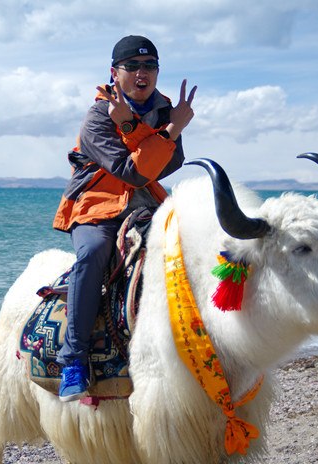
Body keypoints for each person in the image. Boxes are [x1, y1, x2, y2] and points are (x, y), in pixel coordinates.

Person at [52, 35, 197, 401]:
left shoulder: (164, 110)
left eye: (149, 66)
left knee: (191, 244)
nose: (141, 73)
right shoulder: (99, 116)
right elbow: (131, 172)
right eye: (131, 66)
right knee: (93, 253)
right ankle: (73, 360)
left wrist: (159, 132)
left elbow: (170, 164)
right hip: (96, 203)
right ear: (114, 72)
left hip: (146, 202)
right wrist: (167, 131)